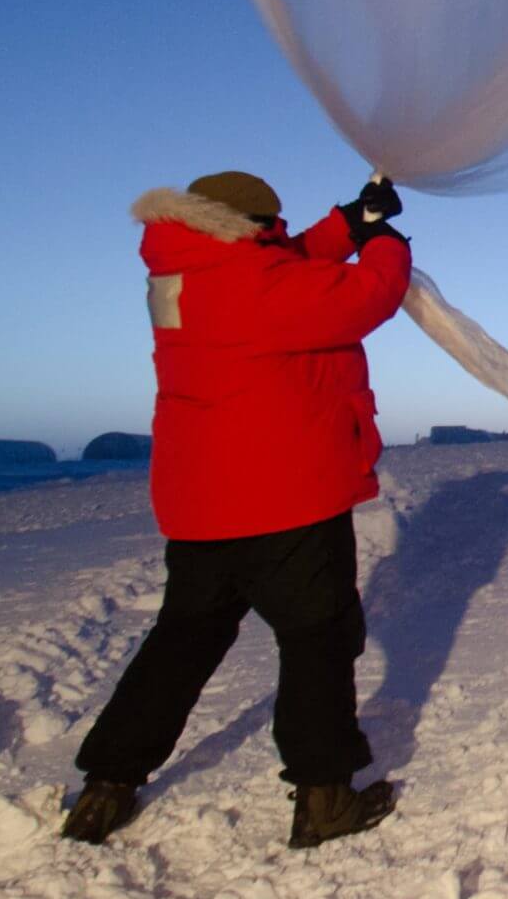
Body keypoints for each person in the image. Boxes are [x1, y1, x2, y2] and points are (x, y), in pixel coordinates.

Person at [63, 170, 411, 851]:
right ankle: (325, 797)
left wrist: (347, 222)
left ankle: (106, 787)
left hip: (200, 506)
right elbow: (365, 295)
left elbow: (279, 270)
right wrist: (385, 242)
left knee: (181, 644)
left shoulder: (181, 275)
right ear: (250, 227)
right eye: (269, 227)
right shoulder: (260, 285)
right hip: (286, 501)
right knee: (318, 642)